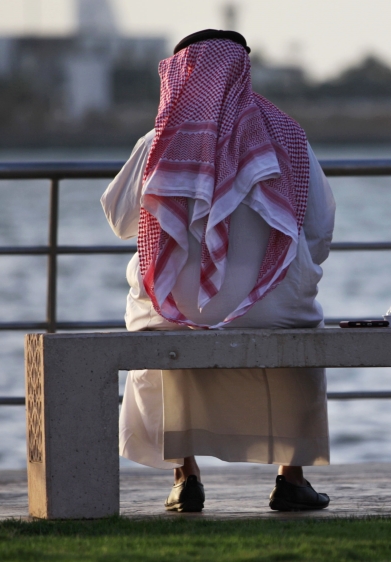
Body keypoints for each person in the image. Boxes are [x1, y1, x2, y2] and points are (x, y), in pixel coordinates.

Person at [101, 30, 336, 512]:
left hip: (177, 314)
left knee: (155, 312)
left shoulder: (158, 140)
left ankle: (185, 476)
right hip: (273, 311)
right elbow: (320, 225)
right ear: (242, 71)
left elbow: (121, 220)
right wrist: (282, 281)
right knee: (299, 322)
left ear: (180, 72)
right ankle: (291, 479)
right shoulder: (287, 134)